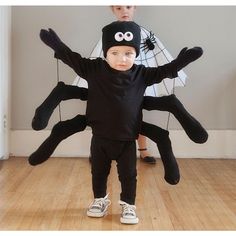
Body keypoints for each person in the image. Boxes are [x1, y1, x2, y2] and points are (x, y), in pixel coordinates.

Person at [31, 21, 205, 224]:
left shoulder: (142, 74)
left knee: (129, 175)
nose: (121, 59)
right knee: (98, 172)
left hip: (127, 140)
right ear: (105, 52)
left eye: (128, 53)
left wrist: (183, 61)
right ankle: (99, 200)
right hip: (100, 138)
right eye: (114, 53)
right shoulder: (93, 69)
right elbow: (72, 58)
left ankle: (128, 204)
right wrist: (57, 45)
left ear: (136, 54)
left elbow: (165, 71)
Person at [73, 6, 187, 164]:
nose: (124, 11)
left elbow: (154, 53)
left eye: (128, 7)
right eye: (119, 8)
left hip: (138, 77)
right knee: (102, 110)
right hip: (110, 80)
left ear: (135, 7)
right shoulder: (109, 33)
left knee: (135, 112)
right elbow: (102, 56)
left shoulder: (143, 34)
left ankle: (142, 149)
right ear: (113, 10)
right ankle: (97, 149)